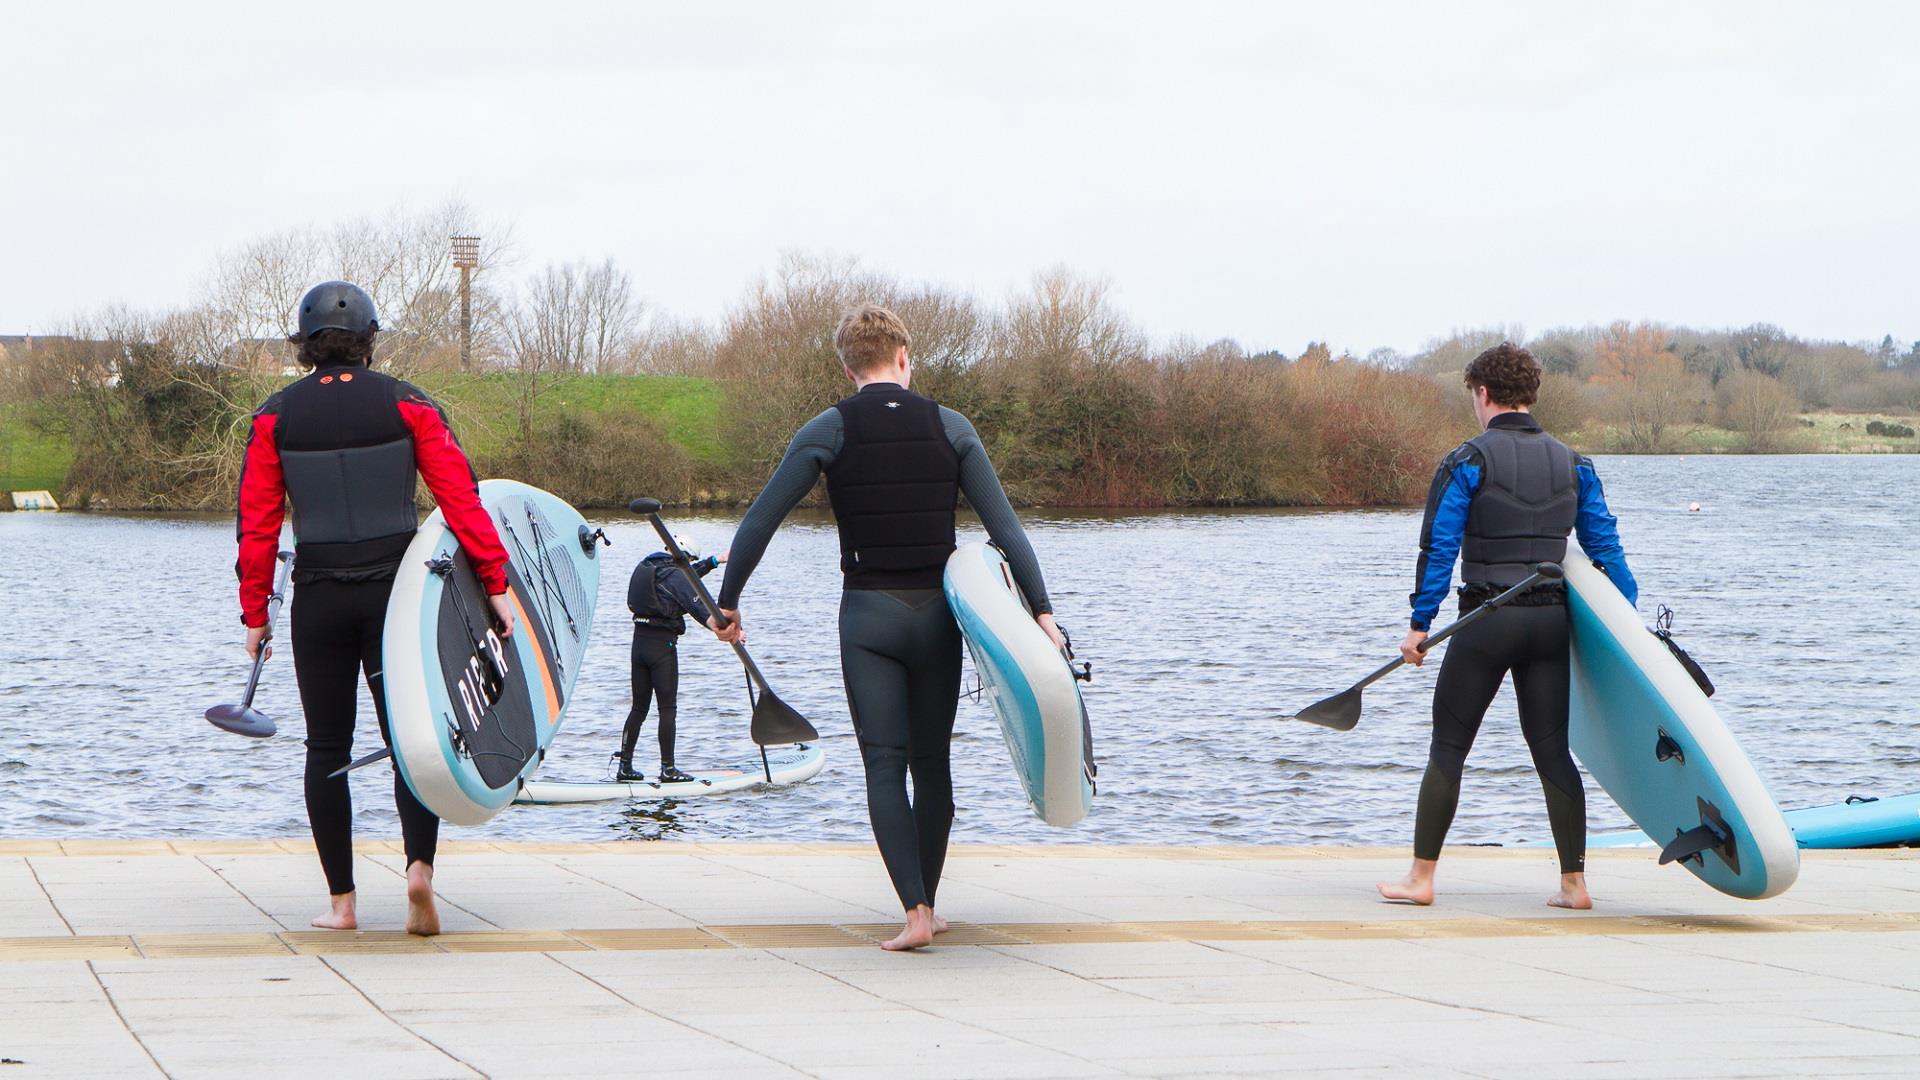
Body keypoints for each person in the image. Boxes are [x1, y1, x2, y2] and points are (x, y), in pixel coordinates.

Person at [712, 304, 1066, 951]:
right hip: (938, 619)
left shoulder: (828, 428)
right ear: (904, 358)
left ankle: (915, 912)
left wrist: (727, 603)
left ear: (847, 367)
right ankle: (928, 901)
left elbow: (760, 522)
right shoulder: (950, 427)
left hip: (868, 618)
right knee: (933, 762)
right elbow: (1006, 531)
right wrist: (1043, 613)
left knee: (884, 761)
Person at [233, 280, 513, 936]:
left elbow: (257, 522)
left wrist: (255, 615)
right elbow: (460, 501)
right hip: (399, 598)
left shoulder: (275, 416)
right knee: (408, 740)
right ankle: (418, 869)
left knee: (326, 744)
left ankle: (342, 904)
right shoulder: (408, 404)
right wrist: (494, 583)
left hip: (320, 597)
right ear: (369, 339)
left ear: (304, 346)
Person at [1378, 342, 1637, 911]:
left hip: (1486, 619)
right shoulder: (1576, 464)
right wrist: (1632, 625)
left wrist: (1420, 625)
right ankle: (1574, 885)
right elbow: (1606, 551)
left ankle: (1421, 880)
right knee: (1551, 751)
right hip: (1550, 624)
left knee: (1449, 746)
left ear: (1483, 394)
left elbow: (1439, 547)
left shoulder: (1467, 461)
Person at [619, 536, 728, 783]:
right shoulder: (676, 576)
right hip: (662, 648)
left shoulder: (648, 566)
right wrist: (728, 630)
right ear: (685, 557)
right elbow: (699, 606)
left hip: (639, 645)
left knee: (638, 708)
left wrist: (714, 561)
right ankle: (668, 769)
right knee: (667, 709)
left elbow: (685, 577)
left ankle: (624, 766)